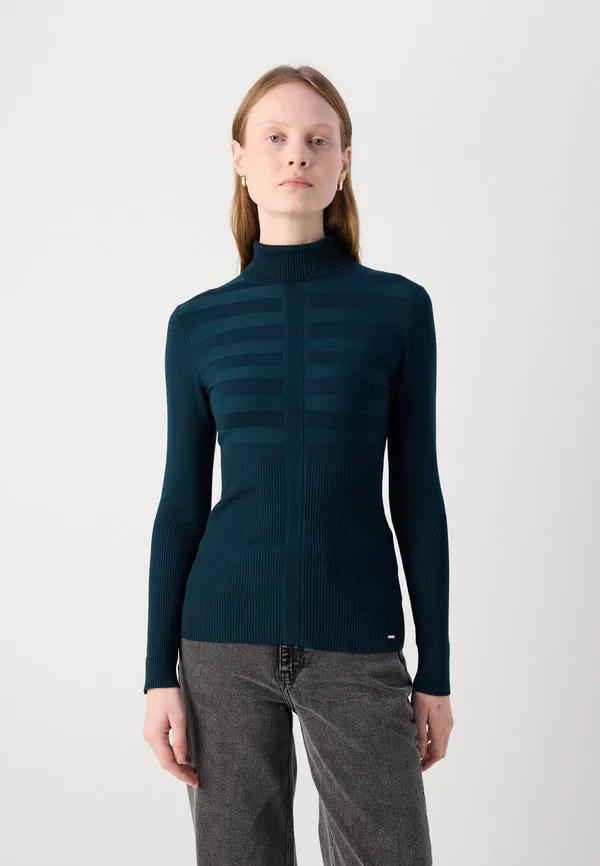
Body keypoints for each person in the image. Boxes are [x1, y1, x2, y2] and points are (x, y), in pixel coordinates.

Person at [142, 63, 454, 866]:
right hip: (220, 644)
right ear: (240, 159)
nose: (297, 155)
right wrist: (156, 674)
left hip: (358, 637)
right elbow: (181, 504)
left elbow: (417, 496)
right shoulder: (198, 325)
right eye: (276, 137)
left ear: (344, 162)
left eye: (318, 140)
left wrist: (436, 671)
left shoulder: (398, 309)